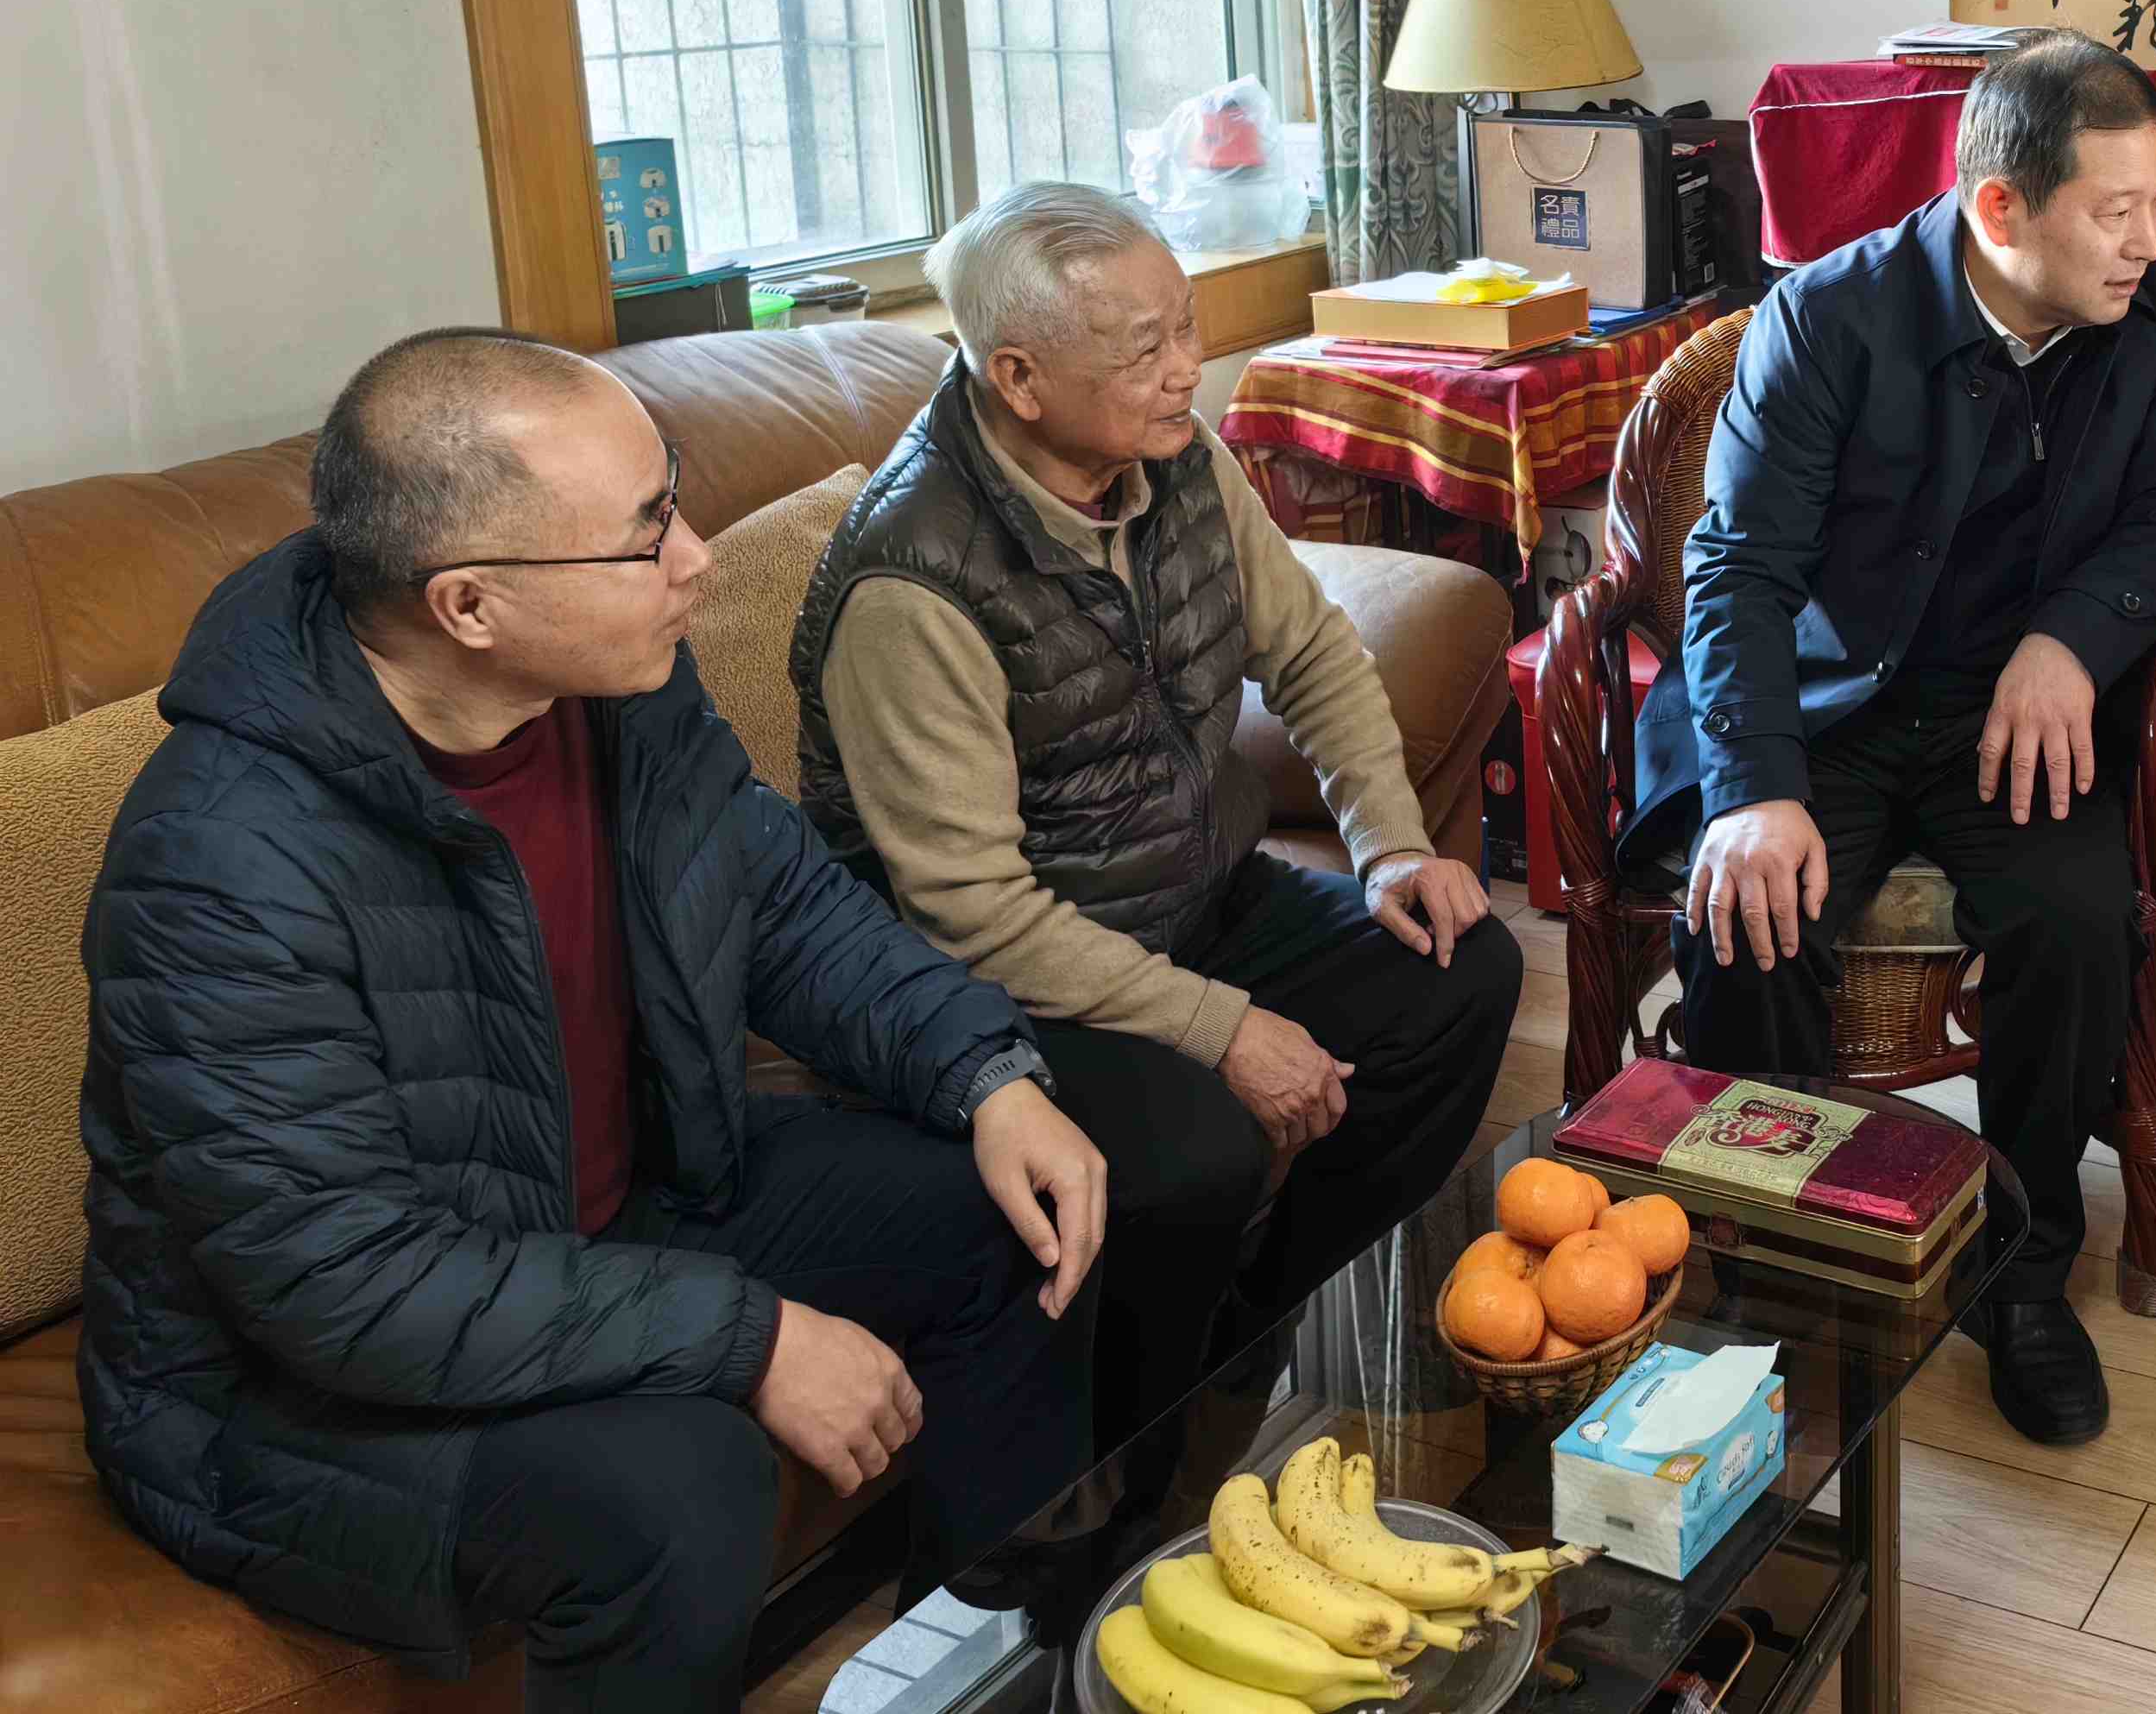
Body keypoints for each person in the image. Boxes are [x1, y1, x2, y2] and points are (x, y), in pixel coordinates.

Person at [79, 331, 1106, 1714]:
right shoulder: (220, 864)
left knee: (1015, 1215)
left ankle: (984, 1671)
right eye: (644, 535)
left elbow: (783, 906)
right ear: (469, 605)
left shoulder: (615, 688)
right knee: (682, 1492)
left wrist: (986, 1072)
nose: (697, 559)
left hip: (612, 1215)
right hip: (292, 1390)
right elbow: (344, 1286)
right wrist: (750, 1337)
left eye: (674, 501)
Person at [794, 183, 1521, 1434]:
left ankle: (1264, 1336)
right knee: (1196, 1153)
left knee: (1461, 972)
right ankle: (1115, 1473)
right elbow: (972, 915)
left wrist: (1391, 845)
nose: (1190, 366)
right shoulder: (912, 584)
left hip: (1191, 893)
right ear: (1019, 379)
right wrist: (1220, 1028)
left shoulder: (1178, 460)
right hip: (998, 989)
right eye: (1147, 347)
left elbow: (1312, 652)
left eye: (1186, 323)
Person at [1631, 33, 2156, 1446]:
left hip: (2003, 715)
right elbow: (1739, 570)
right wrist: (1757, 786)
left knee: (2075, 920)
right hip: (1826, 704)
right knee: (1749, 918)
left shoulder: (2149, 319)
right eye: (2118, 209)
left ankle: (2022, 1272)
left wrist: (2071, 638)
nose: (2152, 240)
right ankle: (1783, 1278)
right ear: (1999, 207)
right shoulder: (1827, 320)